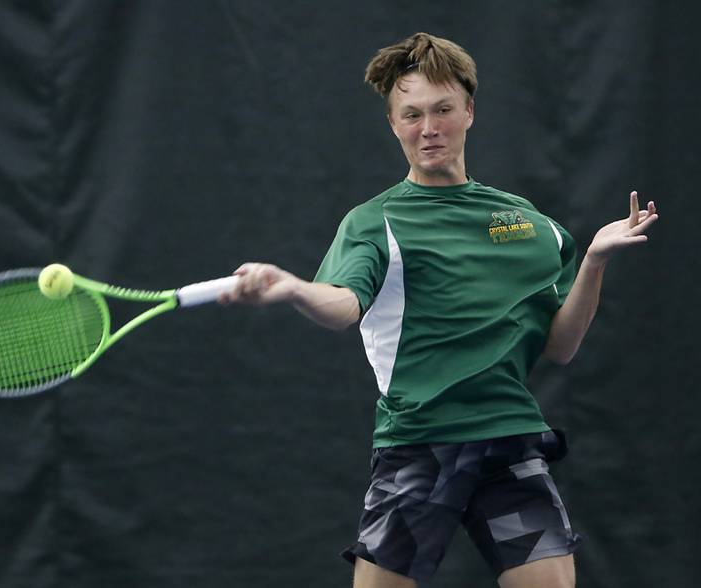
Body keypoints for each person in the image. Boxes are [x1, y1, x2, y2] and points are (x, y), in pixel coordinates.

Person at [220, 32, 659, 588]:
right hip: (419, 447)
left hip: (508, 445)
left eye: (443, 110)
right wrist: (292, 288)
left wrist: (594, 259)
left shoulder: (527, 224)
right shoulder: (372, 222)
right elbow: (344, 305)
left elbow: (560, 345)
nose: (429, 129)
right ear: (393, 123)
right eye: (412, 115)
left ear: (469, 112)